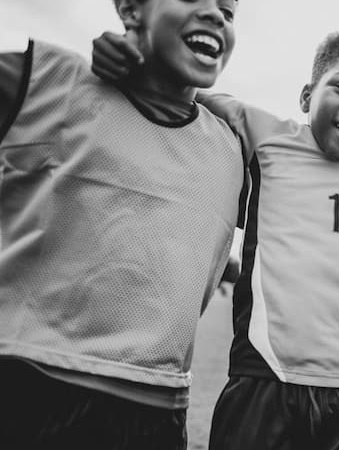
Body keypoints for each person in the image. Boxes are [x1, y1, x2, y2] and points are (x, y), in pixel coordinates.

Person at [93, 29, 339, 449]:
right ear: (305, 97)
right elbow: (177, 98)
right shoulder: (267, 137)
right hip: (264, 385)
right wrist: (133, 63)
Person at [0, 1, 243, 448]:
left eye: (229, 11)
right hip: (25, 382)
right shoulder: (47, 81)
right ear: (131, 9)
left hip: (157, 405)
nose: (216, 15)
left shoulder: (232, 151)